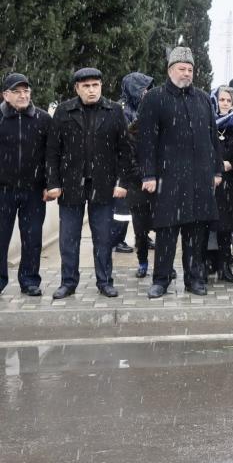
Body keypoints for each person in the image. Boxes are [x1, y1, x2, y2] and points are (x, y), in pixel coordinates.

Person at [138, 48, 223, 298]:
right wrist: (148, 175)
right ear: (170, 70)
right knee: (166, 232)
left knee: (196, 233)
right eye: (181, 69)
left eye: (190, 69)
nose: (186, 73)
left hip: (200, 179)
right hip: (168, 179)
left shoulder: (203, 99)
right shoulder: (154, 98)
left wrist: (217, 169)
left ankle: (194, 279)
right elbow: (146, 141)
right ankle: (161, 280)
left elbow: (212, 138)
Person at [46, 68, 130, 299]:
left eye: (95, 85)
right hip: (70, 184)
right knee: (68, 238)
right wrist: (53, 182)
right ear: (77, 88)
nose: (91, 90)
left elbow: (124, 150)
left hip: (104, 184)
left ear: (101, 86)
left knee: (103, 238)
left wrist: (122, 182)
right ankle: (68, 282)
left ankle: (105, 281)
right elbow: (53, 151)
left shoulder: (114, 111)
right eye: (86, 86)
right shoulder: (64, 111)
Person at [0, 73, 50, 297]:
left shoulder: (43, 119)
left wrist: (49, 183)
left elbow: (51, 154)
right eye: (17, 91)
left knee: (32, 238)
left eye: (26, 91)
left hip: (34, 190)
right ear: (6, 95)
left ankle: (29, 281)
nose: (23, 95)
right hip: (3, 190)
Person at [110, 72, 154, 256]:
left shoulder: (141, 108)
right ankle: (116, 239)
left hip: (139, 164)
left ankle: (143, 235)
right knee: (121, 207)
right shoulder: (121, 109)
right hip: (123, 164)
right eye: (144, 89)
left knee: (140, 206)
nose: (147, 93)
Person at [211, 86, 233, 284]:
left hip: (231, 182)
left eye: (228, 101)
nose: (224, 103)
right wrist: (215, 164)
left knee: (225, 227)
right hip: (210, 180)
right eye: (221, 100)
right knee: (207, 225)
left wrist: (232, 163)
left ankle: (224, 266)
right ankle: (206, 263)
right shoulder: (207, 121)